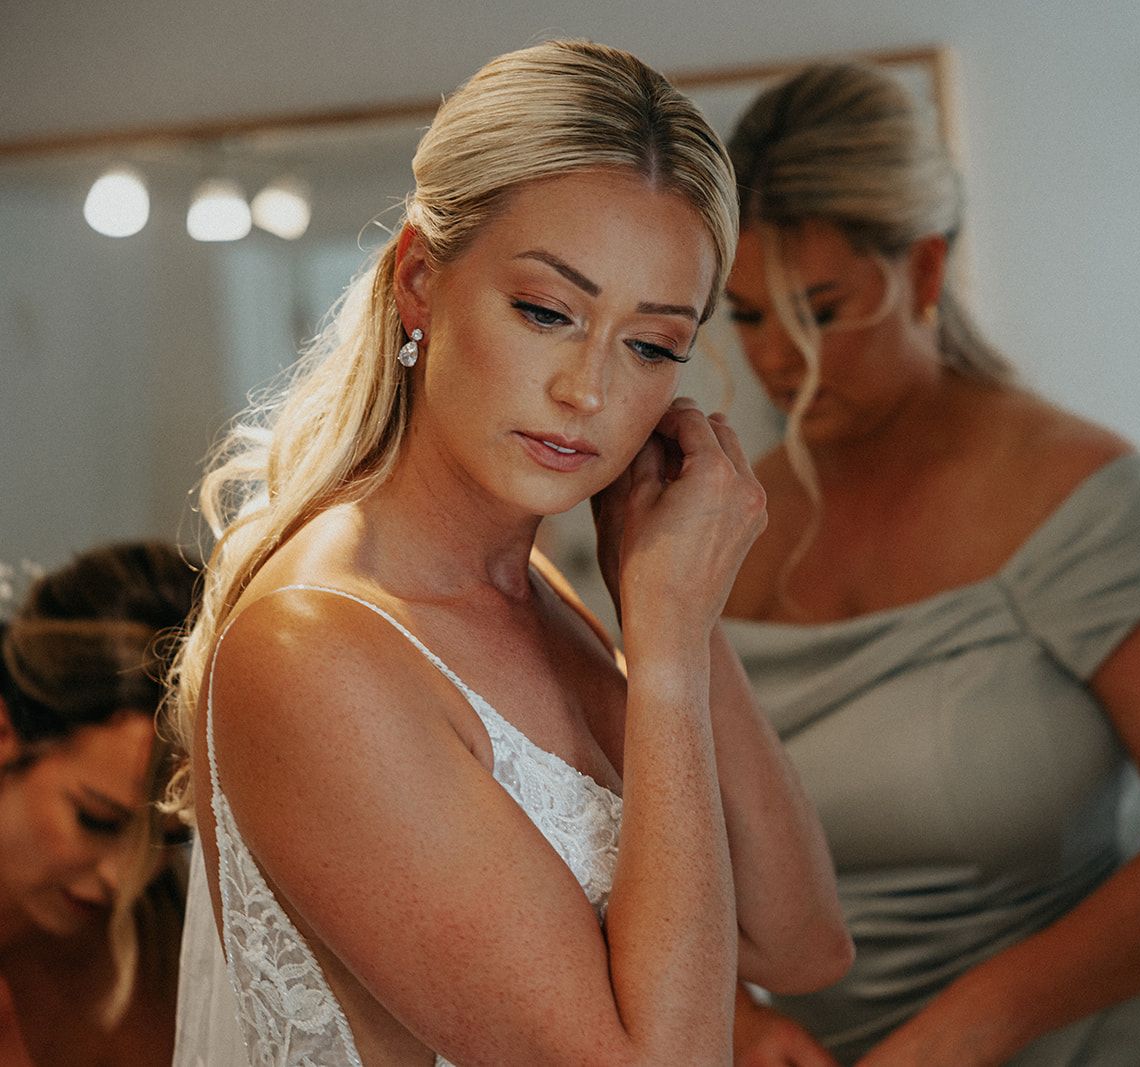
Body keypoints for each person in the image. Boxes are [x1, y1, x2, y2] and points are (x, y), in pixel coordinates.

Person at [162, 38, 851, 1067]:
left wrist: (677, 615)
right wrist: (658, 656)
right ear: (418, 282)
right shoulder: (317, 646)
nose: (591, 390)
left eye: (653, 343)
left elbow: (800, 942)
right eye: (545, 311)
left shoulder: (537, 591)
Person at [720, 62, 1140, 1065]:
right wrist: (736, 1012)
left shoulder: (1088, 502)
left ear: (920, 271)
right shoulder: (717, 517)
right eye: (745, 315)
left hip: (1125, 1035)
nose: (780, 360)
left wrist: (972, 1025)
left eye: (818, 310)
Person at [0, 542, 197, 1067]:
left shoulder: (179, 948)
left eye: (169, 838)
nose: (123, 876)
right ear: (4, 733)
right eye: (99, 820)